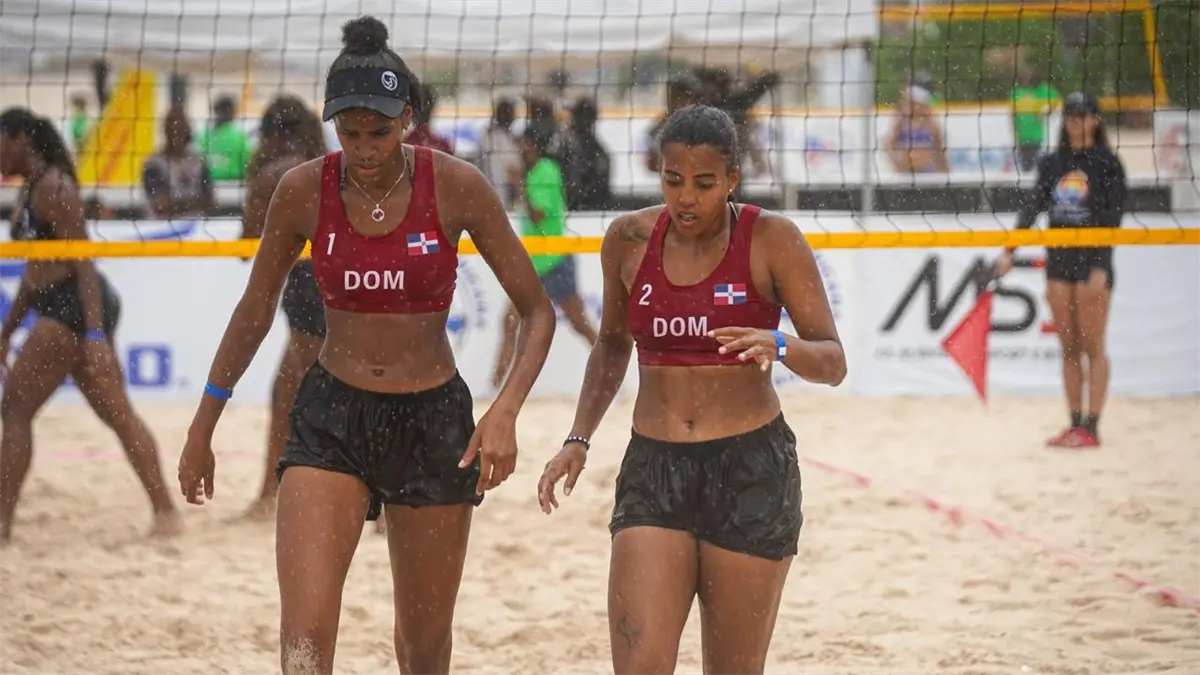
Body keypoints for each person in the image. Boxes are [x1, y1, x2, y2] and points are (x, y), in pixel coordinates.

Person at [176, 16, 556, 675]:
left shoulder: (456, 184)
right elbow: (253, 311)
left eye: (378, 132)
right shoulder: (303, 189)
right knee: (303, 641)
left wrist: (506, 410)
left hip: (433, 419)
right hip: (333, 414)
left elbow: (537, 310)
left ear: (406, 118)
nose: (365, 148)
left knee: (423, 647)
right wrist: (203, 423)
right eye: (349, 133)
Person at [537, 104, 847, 675]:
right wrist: (578, 438)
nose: (686, 198)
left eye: (704, 184)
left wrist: (778, 343)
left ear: (732, 179)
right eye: (672, 179)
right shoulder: (629, 238)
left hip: (750, 468)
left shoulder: (772, 239)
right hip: (654, 467)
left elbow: (833, 362)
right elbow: (611, 346)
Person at [0, 107, 180, 544]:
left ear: (21, 139)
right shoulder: (31, 188)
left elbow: (83, 263)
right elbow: (33, 272)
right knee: (117, 414)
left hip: (73, 305)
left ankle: (2, 526)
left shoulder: (55, 187)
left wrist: (96, 334)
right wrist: (6, 332)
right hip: (62, 303)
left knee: (16, 411)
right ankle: (166, 513)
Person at [995, 91, 1126, 449]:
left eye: (1081, 115)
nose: (1074, 121)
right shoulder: (1053, 162)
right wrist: (1009, 250)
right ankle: (1074, 424)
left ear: (1095, 120)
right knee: (1069, 346)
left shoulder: (1107, 163)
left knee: (1093, 346)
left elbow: (1113, 219)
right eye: (1069, 115)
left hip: (1093, 260)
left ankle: (1092, 427)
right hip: (1060, 260)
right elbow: (1032, 207)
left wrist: (1101, 265)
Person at [236, 95, 329, 520]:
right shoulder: (328, 166)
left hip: (309, 289)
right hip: (346, 282)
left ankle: (270, 495)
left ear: (271, 133)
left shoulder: (274, 175)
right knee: (294, 390)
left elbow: (246, 245)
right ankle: (269, 494)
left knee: (311, 396)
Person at [492, 125, 597, 389]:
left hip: (554, 260)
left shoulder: (546, 171)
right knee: (510, 321)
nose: (520, 149)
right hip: (535, 261)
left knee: (579, 322)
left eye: (524, 144)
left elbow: (538, 215)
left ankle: (609, 372)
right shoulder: (534, 173)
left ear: (533, 146)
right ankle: (494, 386)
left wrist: (519, 185)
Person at [142, 106, 215, 219]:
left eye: (181, 130)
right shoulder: (154, 165)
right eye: (174, 130)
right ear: (166, 132)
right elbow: (161, 205)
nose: (177, 135)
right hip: (163, 225)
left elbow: (210, 202)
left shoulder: (198, 161)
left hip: (197, 225)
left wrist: (178, 204)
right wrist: (195, 202)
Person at [886, 86, 948, 174]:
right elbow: (889, 145)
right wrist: (897, 165)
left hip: (928, 171)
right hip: (907, 172)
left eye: (912, 103)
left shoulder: (931, 124)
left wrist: (945, 171)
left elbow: (939, 151)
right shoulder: (900, 123)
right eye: (907, 103)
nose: (908, 106)